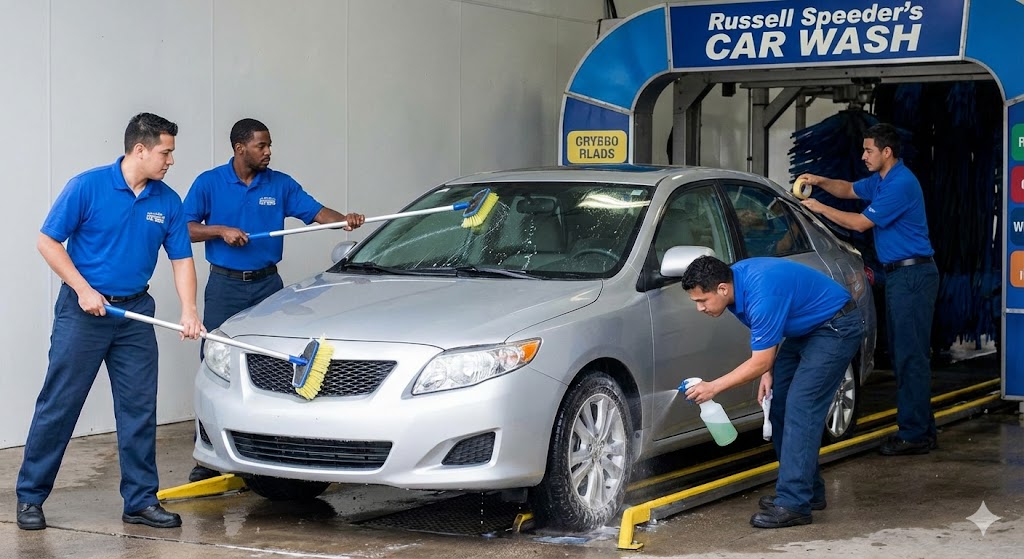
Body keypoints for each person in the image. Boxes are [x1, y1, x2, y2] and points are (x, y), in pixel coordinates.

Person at [16, 113, 203, 531]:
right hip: (83, 312)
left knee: (138, 409)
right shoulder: (87, 187)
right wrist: (83, 288)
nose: (170, 161)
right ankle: (30, 497)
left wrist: (189, 310)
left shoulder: (167, 201)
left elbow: (182, 260)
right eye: (165, 152)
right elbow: (47, 240)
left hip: (134, 314)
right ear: (140, 149)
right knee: (60, 404)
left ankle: (139, 500)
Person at [182, 118, 365, 482]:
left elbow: (315, 213)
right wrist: (220, 230)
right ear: (240, 148)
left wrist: (343, 220)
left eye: (269, 145)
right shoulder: (209, 183)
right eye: (262, 146)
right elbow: (184, 228)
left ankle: (270, 446)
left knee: (272, 363)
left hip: (269, 287)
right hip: (225, 286)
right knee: (216, 364)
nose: (268, 152)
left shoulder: (279, 184)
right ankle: (208, 456)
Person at [681, 255, 863, 528]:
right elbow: (765, 335)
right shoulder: (735, 286)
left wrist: (714, 387)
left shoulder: (761, 292)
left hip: (835, 327)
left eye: (702, 301)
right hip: (805, 329)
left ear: (722, 289)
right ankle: (808, 491)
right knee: (778, 404)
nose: (699, 308)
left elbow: (761, 354)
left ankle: (794, 504)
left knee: (802, 407)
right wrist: (767, 372)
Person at [796, 122, 939, 456]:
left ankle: (914, 433)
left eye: (868, 150)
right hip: (903, 276)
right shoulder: (882, 180)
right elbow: (848, 189)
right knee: (909, 353)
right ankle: (922, 428)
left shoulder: (900, 184)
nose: (863, 156)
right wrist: (819, 182)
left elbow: (860, 223)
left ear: (886, 152)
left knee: (910, 356)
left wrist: (818, 208)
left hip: (913, 276)